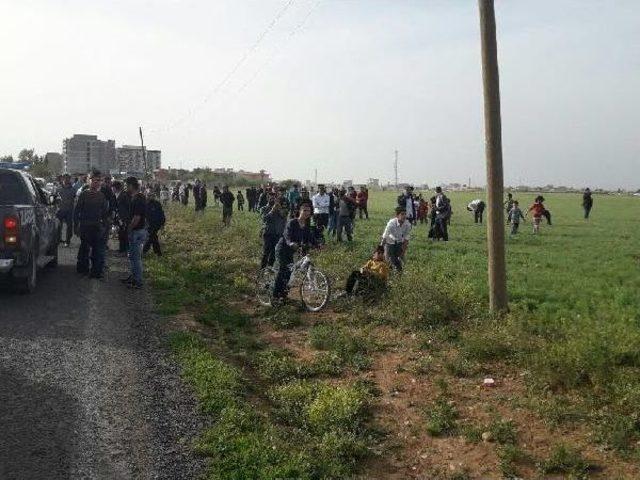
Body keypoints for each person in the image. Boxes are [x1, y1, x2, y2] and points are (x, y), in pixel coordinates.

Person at [272, 204, 318, 301]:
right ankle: (275, 296)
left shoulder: (306, 226)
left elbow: (311, 238)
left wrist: (318, 246)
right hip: (282, 249)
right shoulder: (292, 222)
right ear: (300, 211)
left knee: (289, 272)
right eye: (304, 210)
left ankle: (283, 296)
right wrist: (290, 243)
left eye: (308, 211)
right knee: (283, 270)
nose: (306, 213)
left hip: (291, 251)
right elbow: (286, 235)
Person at [74, 170, 109, 278]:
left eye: (99, 180)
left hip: (97, 227)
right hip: (85, 226)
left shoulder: (102, 196)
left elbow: (104, 213)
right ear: (89, 181)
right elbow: (77, 211)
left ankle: (96, 272)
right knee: (84, 249)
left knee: (97, 250)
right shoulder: (84, 194)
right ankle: (83, 269)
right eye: (94, 180)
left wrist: (104, 226)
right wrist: (76, 225)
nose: (96, 182)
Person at [123, 177, 148, 288]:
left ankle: (137, 281)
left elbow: (136, 217)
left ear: (131, 186)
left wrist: (129, 228)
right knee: (133, 257)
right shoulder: (140, 197)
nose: (125, 187)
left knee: (136, 258)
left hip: (136, 231)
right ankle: (134, 277)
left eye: (126, 185)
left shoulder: (137, 199)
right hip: (140, 230)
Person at [381, 207, 411, 272]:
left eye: (405, 214)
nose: (404, 216)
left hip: (399, 243)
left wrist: (403, 251)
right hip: (389, 242)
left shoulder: (407, 224)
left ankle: (399, 275)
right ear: (397, 215)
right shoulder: (391, 223)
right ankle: (388, 274)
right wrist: (380, 248)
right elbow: (385, 236)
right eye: (402, 214)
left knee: (398, 261)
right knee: (388, 260)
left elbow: (406, 239)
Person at [260, 195, 287, 268]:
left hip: (278, 234)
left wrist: (279, 209)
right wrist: (272, 211)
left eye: (274, 198)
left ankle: (269, 268)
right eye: (270, 198)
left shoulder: (281, 209)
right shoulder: (264, 208)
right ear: (267, 198)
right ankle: (262, 269)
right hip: (268, 233)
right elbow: (264, 219)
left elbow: (284, 220)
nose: (272, 199)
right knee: (266, 252)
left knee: (274, 253)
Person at [144, 190, 165, 256]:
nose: (150, 197)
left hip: (156, 224)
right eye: (149, 195)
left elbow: (161, 214)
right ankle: (158, 253)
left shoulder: (157, 204)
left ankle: (144, 251)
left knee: (151, 237)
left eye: (152, 195)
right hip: (149, 224)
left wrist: (162, 223)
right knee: (153, 237)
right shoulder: (145, 204)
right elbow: (144, 215)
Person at [56, 174, 76, 247]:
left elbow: (75, 199)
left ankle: (67, 241)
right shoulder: (58, 188)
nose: (66, 179)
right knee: (58, 226)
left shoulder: (73, 189)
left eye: (68, 178)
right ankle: (58, 239)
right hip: (59, 210)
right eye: (65, 178)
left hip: (69, 211)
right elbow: (54, 198)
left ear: (69, 179)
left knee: (69, 227)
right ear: (62, 179)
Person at [113, 181, 130, 254]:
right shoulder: (117, 195)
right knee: (121, 233)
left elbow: (128, 207)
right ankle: (121, 249)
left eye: (113, 187)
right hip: (120, 217)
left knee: (124, 234)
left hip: (124, 218)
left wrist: (125, 218)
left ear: (116, 187)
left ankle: (124, 250)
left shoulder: (124, 195)